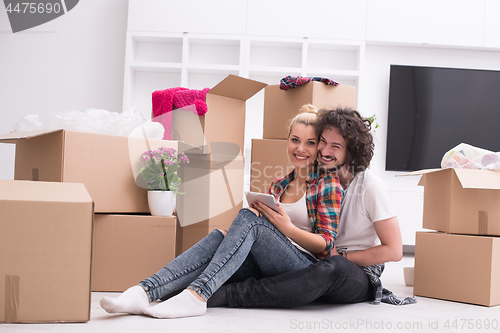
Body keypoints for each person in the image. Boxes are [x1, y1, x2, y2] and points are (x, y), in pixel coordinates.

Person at [100, 104, 344, 319]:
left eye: (310, 143)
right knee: (220, 235)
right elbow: (264, 234)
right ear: (287, 140)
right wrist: (241, 231)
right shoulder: (278, 185)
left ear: (319, 148)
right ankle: (143, 291)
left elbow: (325, 244)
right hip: (270, 261)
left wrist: (286, 228)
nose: (300, 148)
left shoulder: (327, 184)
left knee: (250, 219)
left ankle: (198, 295)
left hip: (305, 268)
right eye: (294, 140)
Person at [207, 107, 416, 308]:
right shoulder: (321, 182)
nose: (324, 151)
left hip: (355, 272)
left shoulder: (370, 186)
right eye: (322, 142)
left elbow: (395, 250)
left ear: (351, 151)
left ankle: (232, 294)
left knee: (335, 269)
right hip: (317, 262)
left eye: (335, 146)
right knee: (308, 267)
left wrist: (342, 257)